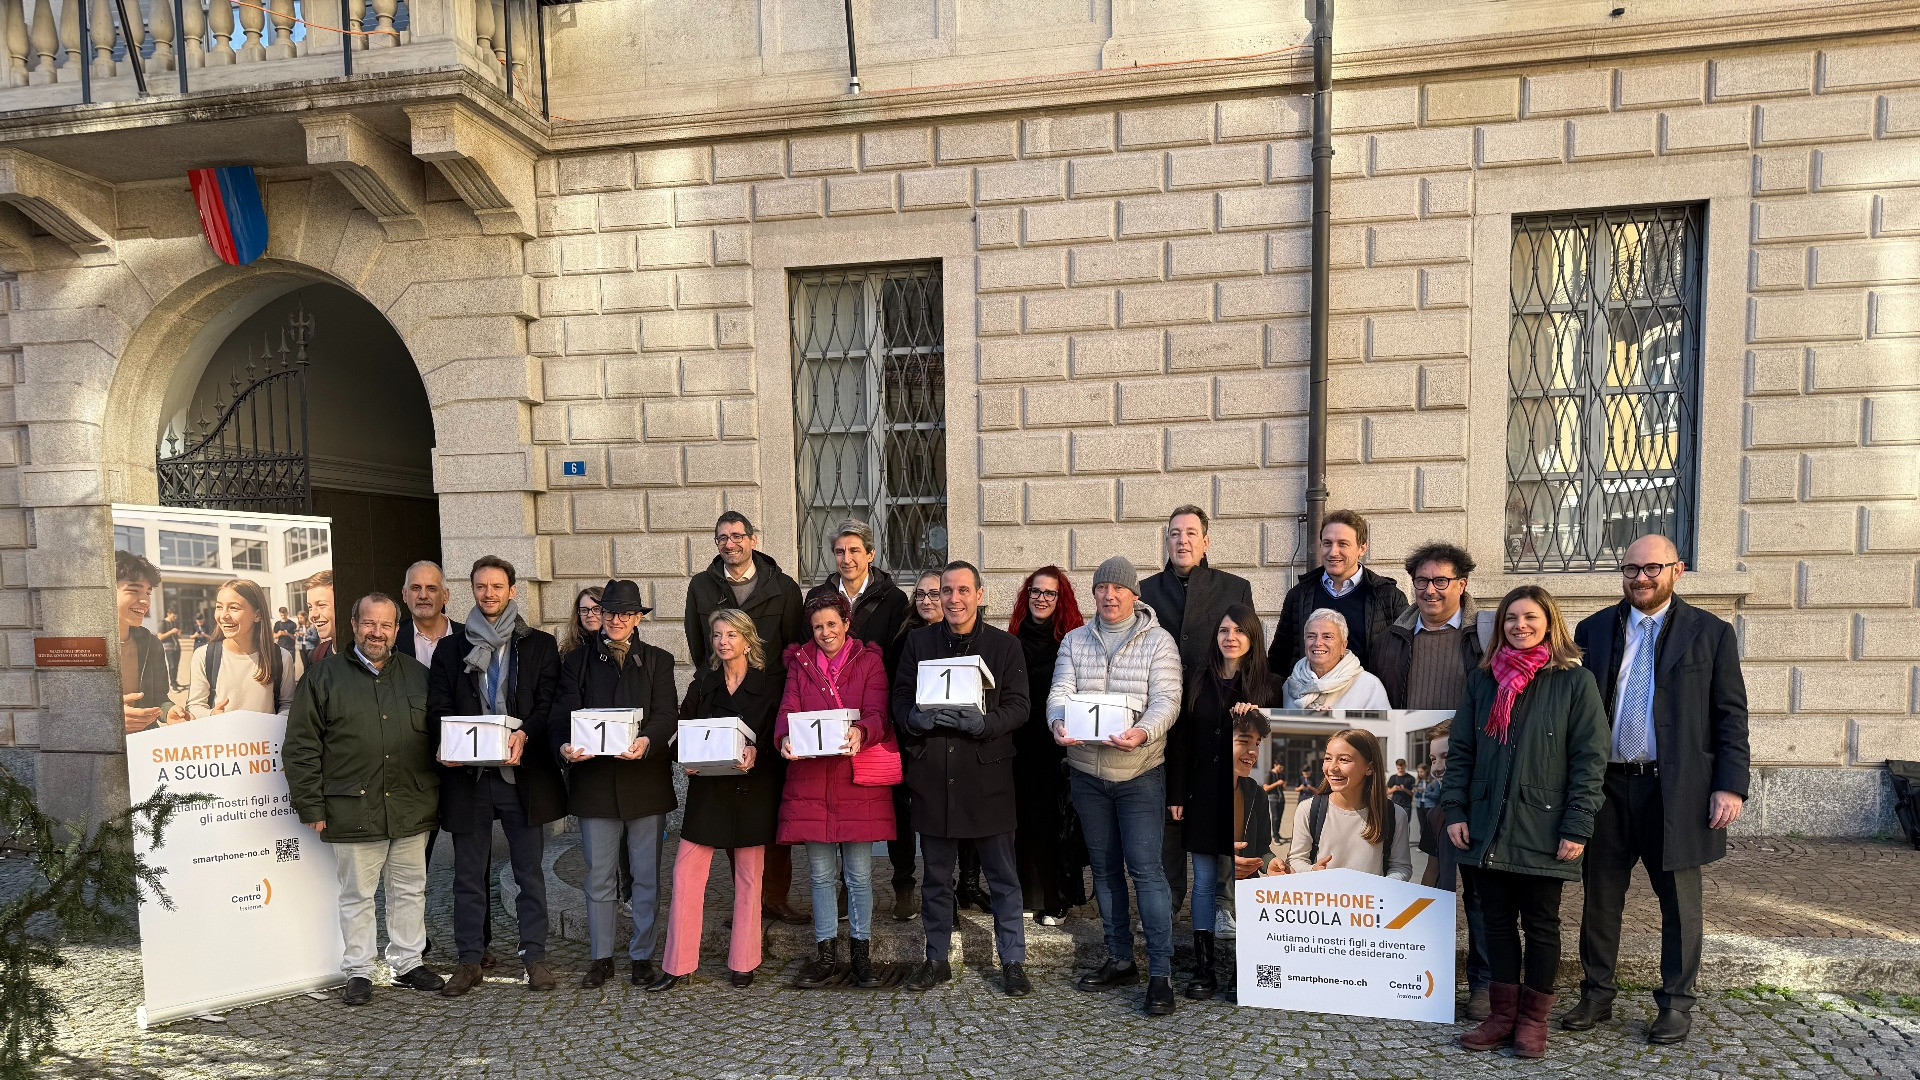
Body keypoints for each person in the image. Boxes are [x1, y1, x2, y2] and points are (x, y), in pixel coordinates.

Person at [1563, 534, 1751, 1046]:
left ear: (1677, 570)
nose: (1641, 578)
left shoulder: (1711, 633)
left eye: (1652, 569)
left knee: (1679, 903)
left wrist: (1730, 785)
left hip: (1677, 788)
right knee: (1600, 898)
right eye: (1631, 569)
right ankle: (1597, 994)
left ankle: (1675, 1003)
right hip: (1607, 787)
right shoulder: (1593, 629)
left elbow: (1730, 715)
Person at [1442, 585, 1608, 1060]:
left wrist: (1578, 824)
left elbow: (1589, 758)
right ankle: (1501, 1017)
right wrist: (1455, 809)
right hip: (1487, 821)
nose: (1520, 626)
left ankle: (1533, 1022)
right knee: (1495, 922)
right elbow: (1462, 750)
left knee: (1540, 924)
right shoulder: (1483, 680)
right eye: (1511, 618)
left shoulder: (1575, 681)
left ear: (1549, 622)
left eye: (1530, 617)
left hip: (1544, 824)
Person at [283, 592, 446, 1003]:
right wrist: (311, 805)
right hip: (353, 806)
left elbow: (439, 738)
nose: (377, 632)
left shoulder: (418, 675)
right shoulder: (322, 677)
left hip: (411, 804)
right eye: (369, 623)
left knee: (410, 889)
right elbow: (301, 747)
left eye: (385, 625)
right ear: (354, 625)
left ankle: (408, 963)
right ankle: (359, 970)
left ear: (396, 629)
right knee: (357, 895)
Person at [1047, 556, 1183, 1016]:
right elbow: (1060, 693)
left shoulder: (1159, 642)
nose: (1109, 595)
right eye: (1102, 587)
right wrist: (1058, 722)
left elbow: (1167, 700)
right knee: (1104, 871)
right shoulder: (1074, 640)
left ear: (1134, 595)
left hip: (1139, 773)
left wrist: (1143, 732)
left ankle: (1161, 972)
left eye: (1118, 588)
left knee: (1146, 871)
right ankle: (1120, 959)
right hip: (1087, 774)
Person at [426, 556, 565, 997]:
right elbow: (438, 707)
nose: (489, 594)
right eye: (481, 586)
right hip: (469, 778)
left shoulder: (538, 645)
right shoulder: (451, 649)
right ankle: (469, 960)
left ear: (512, 591)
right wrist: (446, 744)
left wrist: (526, 733)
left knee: (529, 873)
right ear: (472, 590)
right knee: (468, 876)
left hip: (521, 775)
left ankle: (534, 956)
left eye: (497, 586)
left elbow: (548, 704)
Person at [891, 561, 1032, 996]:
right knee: (936, 878)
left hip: (987, 778)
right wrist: (912, 719)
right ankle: (936, 960)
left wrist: (986, 724)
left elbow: (1020, 706)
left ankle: (1012, 961)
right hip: (934, 777)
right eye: (946, 591)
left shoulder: (1005, 646)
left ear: (980, 595)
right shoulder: (918, 642)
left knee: (1002, 877)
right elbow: (900, 697)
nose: (953, 599)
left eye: (963, 590)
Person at [553, 579, 680, 989]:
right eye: (609, 612)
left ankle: (642, 956)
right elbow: (561, 714)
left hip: (645, 783)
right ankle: (601, 956)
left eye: (626, 613)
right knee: (600, 876)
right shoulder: (577, 661)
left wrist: (647, 742)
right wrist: (565, 746)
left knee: (646, 877)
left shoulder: (659, 660)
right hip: (595, 785)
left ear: (638, 617)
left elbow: (666, 715)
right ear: (600, 615)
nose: (616, 620)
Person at [684, 511, 808, 925]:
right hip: (723, 700)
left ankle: (775, 897)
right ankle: (746, 900)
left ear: (753, 539)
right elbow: (699, 645)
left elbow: (793, 648)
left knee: (771, 810)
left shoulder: (783, 587)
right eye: (722, 537)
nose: (730, 543)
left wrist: (780, 697)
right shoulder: (702, 586)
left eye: (737, 536)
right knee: (729, 812)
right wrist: (715, 684)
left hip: (769, 702)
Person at [651, 609, 783, 992]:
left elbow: (777, 740)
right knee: (685, 875)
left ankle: (744, 962)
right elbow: (681, 735)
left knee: (749, 879)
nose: (723, 642)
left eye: (731, 634)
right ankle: (678, 964)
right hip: (708, 793)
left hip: (751, 792)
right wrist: (686, 757)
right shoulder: (702, 685)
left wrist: (758, 752)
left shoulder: (769, 686)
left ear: (747, 640)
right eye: (717, 635)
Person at [775, 593, 897, 989]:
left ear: (846, 623)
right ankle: (825, 955)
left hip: (855, 779)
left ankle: (862, 955)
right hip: (811, 781)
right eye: (817, 627)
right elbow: (787, 712)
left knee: (859, 876)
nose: (825, 632)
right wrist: (783, 739)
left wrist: (863, 731)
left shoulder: (869, 661)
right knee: (820, 875)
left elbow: (879, 713)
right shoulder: (800, 665)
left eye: (831, 624)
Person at [1140, 505, 1254, 921]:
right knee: (1168, 811)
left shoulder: (1234, 587)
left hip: (1216, 716)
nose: (1182, 540)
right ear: (1166, 541)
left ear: (1206, 541)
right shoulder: (1145, 591)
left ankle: (1224, 903)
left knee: (1224, 808)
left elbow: (1246, 649)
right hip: (1162, 716)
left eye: (1190, 533)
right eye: (1174, 533)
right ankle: (1168, 902)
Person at [805, 520, 916, 921]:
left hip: (879, 711)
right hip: (832, 714)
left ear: (870, 554)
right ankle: (842, 887)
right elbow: (811, 649)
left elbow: (901, 652)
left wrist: (885, 707)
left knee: (894, 798)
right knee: (838, 801)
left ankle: (903, 883)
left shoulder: (893, 598)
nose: (847, 558)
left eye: (854, 551)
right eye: (839, 551)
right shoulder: (819, 597)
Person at [1167, 604, 1277, 999]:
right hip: (1201, 792)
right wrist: (1176, 792)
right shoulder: (1198, 679)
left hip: (1242, 796)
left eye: (1239, 631)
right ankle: (1204, 968)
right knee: (1203, 880)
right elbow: (1180, 739)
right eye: (1224, 630)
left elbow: (1271, 737)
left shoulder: (1268, 685)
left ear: (1252, 637)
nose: (1230, 638)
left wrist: (1257, 713)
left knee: (1244, 881)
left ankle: (1244, 969)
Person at [1008, 565, 1088, 926]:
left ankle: (1057, 898)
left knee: (1056, 822)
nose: (1041, 598)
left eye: (1049, 593)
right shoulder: (1012, 639)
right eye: (1035, 592)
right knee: (1022, 820)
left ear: (1061, 599)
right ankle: (1027, 894)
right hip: (1019, 744)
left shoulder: (1073, 642)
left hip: (1057, 745)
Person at [1267, 509, 1408, 675]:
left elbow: (1405, 656)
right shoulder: (1299, 595)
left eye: (1342, 544)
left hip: (1366, 691)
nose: (1333, 552)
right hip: (1309, 691)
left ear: (1362, 548)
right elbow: (1279, 659)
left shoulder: (1388, 597)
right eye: (1327, 543)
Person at [1421, 719, 1494, 1021]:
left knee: (1481, 904)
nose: (1438, 767)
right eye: (1433, 759)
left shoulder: (1489, 808)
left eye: (1447, 757)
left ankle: (1484, 985)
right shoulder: (1435, 815)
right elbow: (1432, 870)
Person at [885, 569, 945, 919]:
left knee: (943, 816)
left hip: (948, 741)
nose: (926, 600)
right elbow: (896, 691)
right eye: (920, 594)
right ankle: (904, 885)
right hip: (908, 738)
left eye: (933, 593)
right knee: (903, 814)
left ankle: (948, 888)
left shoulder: (960, 637)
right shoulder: (903, 639)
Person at [1273, 728, 1411, 879]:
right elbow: (1296, 860)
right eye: (1327, 758)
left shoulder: (1395, 815)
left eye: (1344, 759)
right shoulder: (1308, 809)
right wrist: (1312, 871)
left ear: (1369, 767)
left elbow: (1401, 867)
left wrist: (1378, 888)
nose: (1332, 768)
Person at [1374, 542, 1485, 710]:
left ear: (1461, 585)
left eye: (1441, 581)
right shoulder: (1389, 641)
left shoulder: (1485, 637)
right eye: (1422, 581)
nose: (1430, 590)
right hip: (1406, 728)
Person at [175, 578, 302, 721]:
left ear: (257, 615)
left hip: (266, 736)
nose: (223, 615)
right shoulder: (203, 655)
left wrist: (274, 724)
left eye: (234, 608)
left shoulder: (281, 657)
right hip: (221, 735)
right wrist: (211, 715)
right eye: (219, 607)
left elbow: (288, 705)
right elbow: (195, 706)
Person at [1280, 609, 1390, 711]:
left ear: (1343, 645)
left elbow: (1383, 725)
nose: (1318, 643)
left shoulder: (1368, 685)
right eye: (1311, 636)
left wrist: (1336, 719)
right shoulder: (1290, 685)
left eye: (1327, 637)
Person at [115, 551, 171, 735]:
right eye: (134, 590)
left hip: (145, 742)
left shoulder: (151, 643)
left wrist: (170, 712)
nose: (145, 601)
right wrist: (110, 718)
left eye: (148, 592)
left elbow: (160, 698)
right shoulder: (77, 645)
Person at [398, 561, 459, 667]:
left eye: (431, 588)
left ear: (445, 596)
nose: (423, 596)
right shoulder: (392, 639)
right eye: (416, 588)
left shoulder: (469, 637)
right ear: (405, 594)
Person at [305, 571, 337, 663]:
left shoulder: (370, 657)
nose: (312, 615)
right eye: (310, 607)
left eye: (321, 605)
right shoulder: (316, 656)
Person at [564, 585, 604, 656]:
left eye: (596, 609)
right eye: (584, 610)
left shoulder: (619, 648)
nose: (590, 615)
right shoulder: (570, 649)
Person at [158, 609, 185, 692]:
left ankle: (175, 682)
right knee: (172, 665)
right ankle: (172, 686)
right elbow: (160, 637)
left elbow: (179, 636)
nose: (175, 618)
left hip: (177, 647)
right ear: (168, 614)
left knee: (176, 666)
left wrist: (179, 633)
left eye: (176, 616)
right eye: (173, 616)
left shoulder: (175, 623)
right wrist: (171, 632)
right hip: (168, 648)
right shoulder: (163, 623)